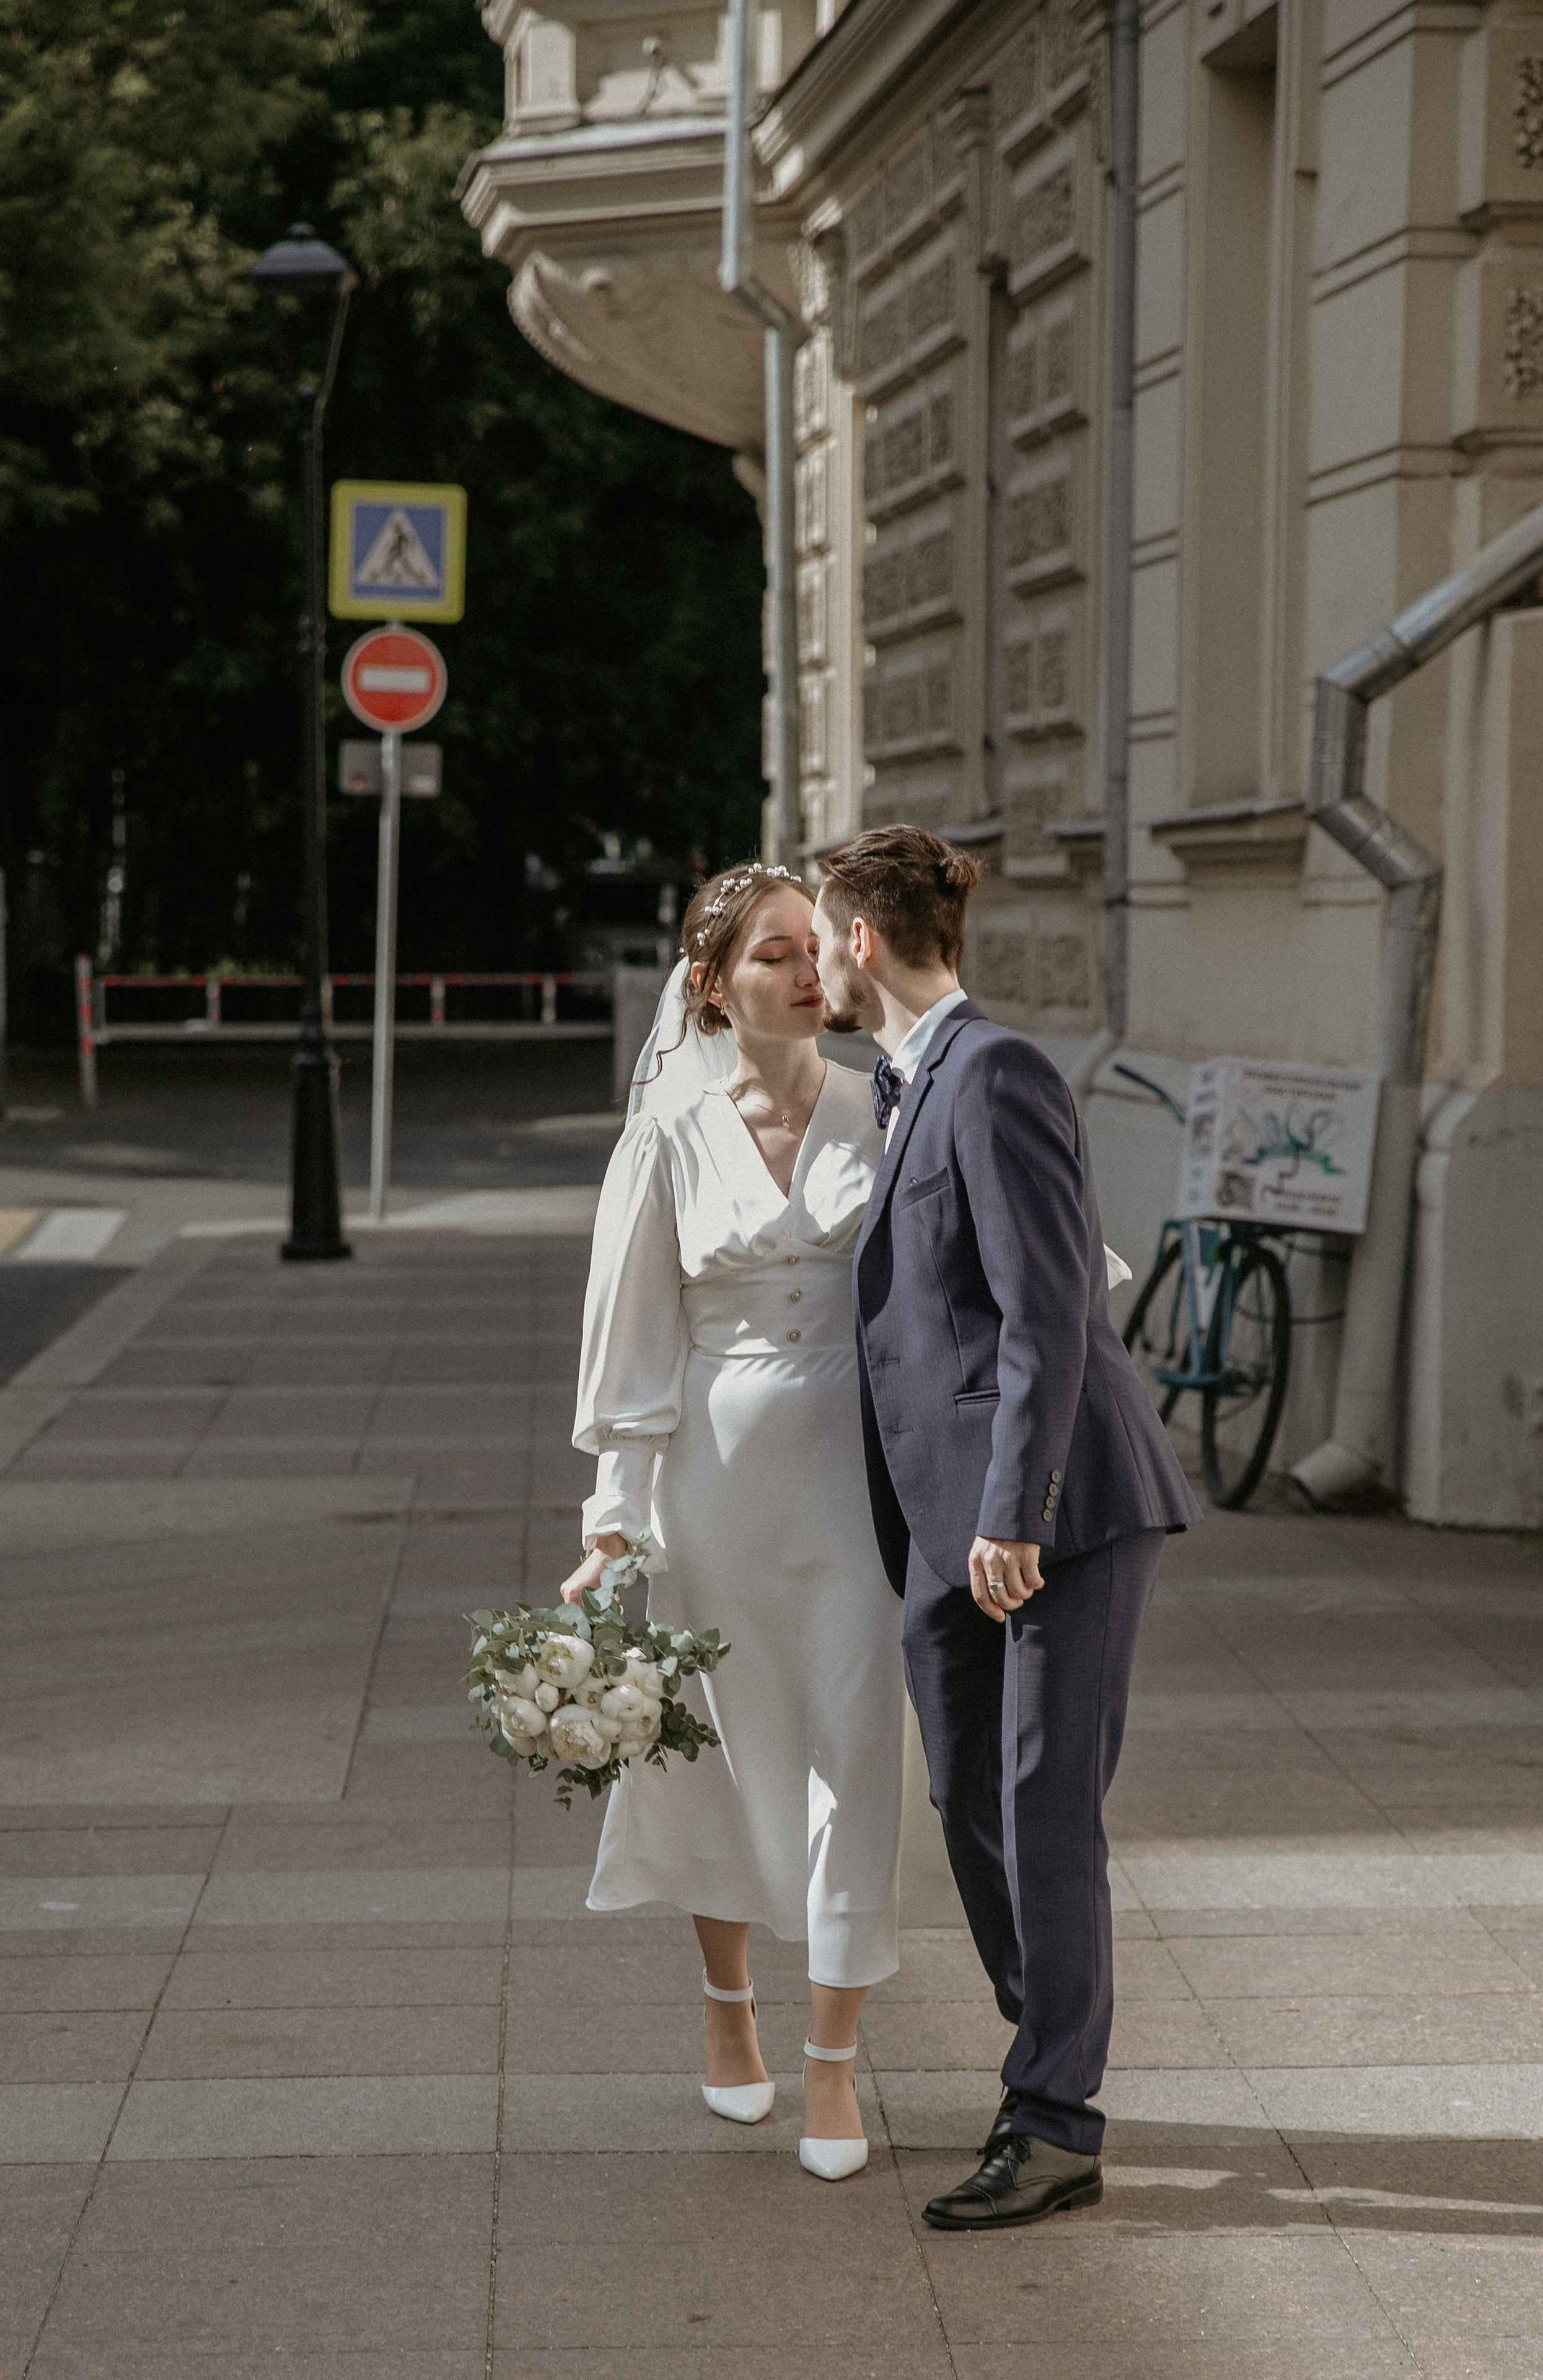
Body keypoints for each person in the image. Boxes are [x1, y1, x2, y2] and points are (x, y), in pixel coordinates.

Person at [808, 825, 1202, 2231]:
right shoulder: (902, 1084)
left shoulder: (996, 1072)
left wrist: (1012, 1512)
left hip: (1055, 1513)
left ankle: (1051, 2119)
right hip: (944, 1523)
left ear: (862, 938)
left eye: (822, 939)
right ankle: (1049, 2054)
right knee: (965, 1799)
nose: (819, 972)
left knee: (1042, 1811)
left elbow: (1046, 1310)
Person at [562, 861, 901, 2182]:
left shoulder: (892, 1106)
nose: (807, 973)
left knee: (855, 1754)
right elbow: (629, 1346)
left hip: (863, 1488)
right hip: (711, 1491)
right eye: (774, 956)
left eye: (816, 950)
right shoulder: (666, 1136)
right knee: (713, 1750)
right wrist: (611, 1522)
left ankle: (831, 2066)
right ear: (710, 988)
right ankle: (726, 2014)